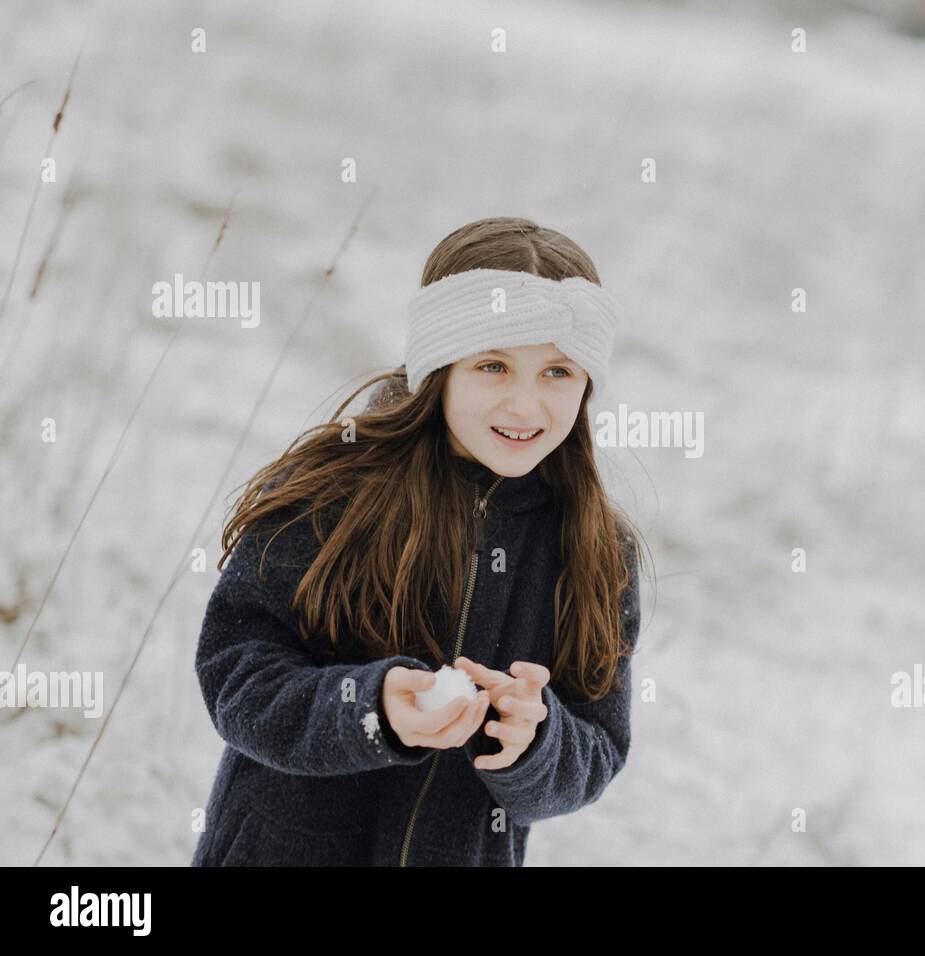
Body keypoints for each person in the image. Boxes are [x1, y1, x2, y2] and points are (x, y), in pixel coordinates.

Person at [190, 216, 647, 866]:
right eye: (494, 365)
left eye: (557, 372)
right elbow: (238, 677)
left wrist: (534, 739)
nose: (526, 405)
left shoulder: (596, 548)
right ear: (440, 366)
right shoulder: (336, 494)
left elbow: (597, 749)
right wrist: (369, 708)